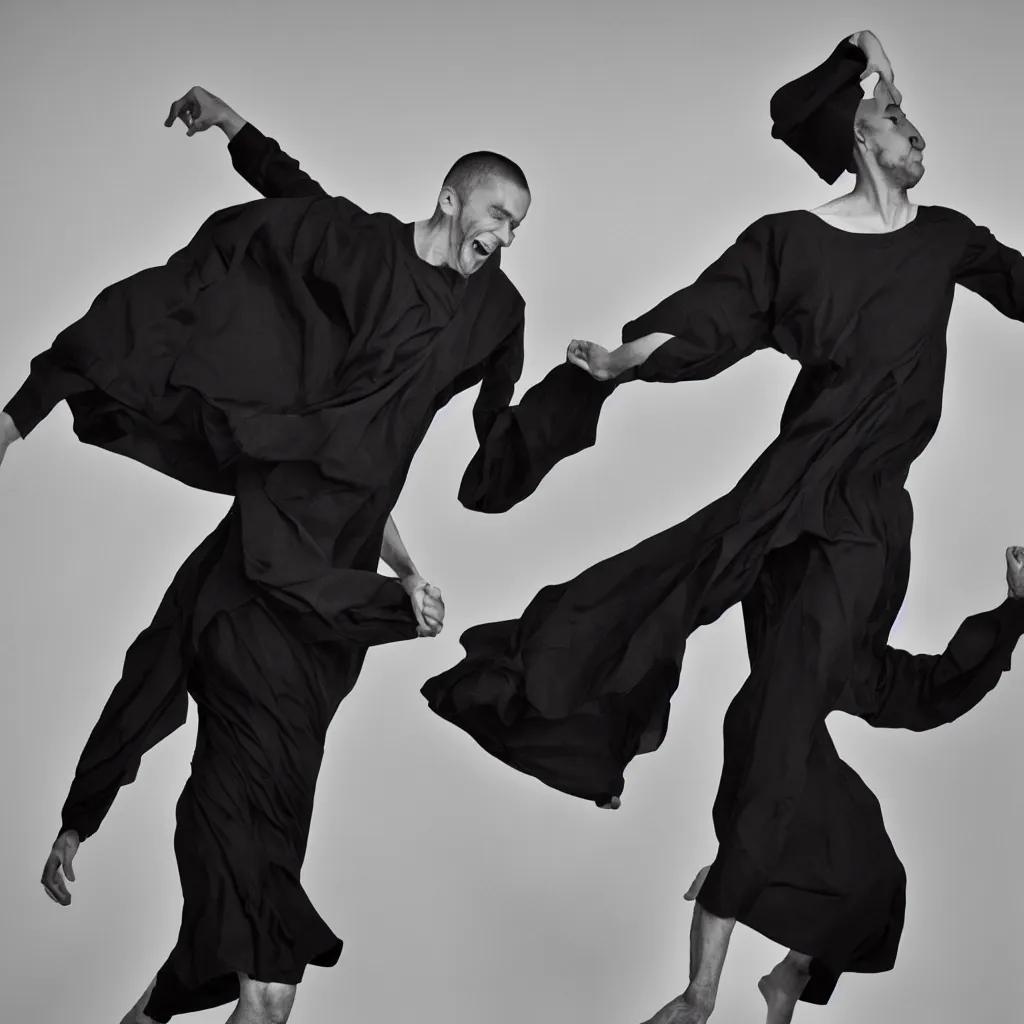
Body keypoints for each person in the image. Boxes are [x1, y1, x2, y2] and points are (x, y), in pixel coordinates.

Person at [420, 30, 1024, 1023]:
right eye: (896, 119)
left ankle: (712, 985)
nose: (917, 131)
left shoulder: (946, 236)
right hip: (782, 519)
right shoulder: (793, 243)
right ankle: (744, 963)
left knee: (777, 725)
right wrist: (628, 359)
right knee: (768, 717)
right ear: (863, 141)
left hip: (864, 528)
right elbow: (712, 319)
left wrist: (1007, 618)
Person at [0, 87, 612, 1023]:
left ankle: (184, 990)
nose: (507, 235)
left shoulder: (497, 313)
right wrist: (233, 126)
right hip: (279, 533)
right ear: (452, 199)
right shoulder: (362, 249)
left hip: (336, 587)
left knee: (276, 791)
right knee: (249, 892)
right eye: (498, 213)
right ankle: (237, 973)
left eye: (519, 226)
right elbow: (294, 199)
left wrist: (587, 388)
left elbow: (493, 444)